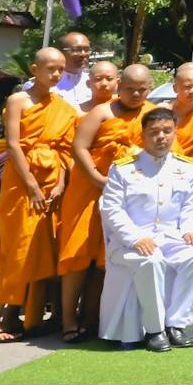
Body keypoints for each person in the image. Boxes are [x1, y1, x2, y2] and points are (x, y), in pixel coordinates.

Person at [0, 47, 79, 342]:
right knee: (18, 251)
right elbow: (12, 145)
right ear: (35, 70)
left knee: (39, 250)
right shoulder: (18, 100)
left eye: (60, 69)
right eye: (50, 68)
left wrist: (60, 183)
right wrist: (31, 184)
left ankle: (13, 316)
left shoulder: (63, 108)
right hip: (21, 183)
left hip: (51, 184)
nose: (56, 74)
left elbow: (64, 150)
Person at [97, 105, 193, 351]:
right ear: (143, 135)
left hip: (170, 237)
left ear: (175, 132)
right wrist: (135, 237)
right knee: (152, 260)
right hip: (129, 242)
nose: (161, 137)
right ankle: (155, 330)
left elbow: (190, 206)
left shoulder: (185, 167)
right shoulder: (123, 169)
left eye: (167, 131)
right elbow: (112, 209)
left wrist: (191, 230)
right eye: (154, 132)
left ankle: (176, 324)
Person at [57, 62, 150, 341]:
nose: (135, 94)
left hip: (128, 194)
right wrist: (98, 179)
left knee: (105, 258)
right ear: (120, 86)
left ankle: (92, 318)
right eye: (130, 89)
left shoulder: (153, 113)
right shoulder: (102, 112)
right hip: (89, 189)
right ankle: (67, 320)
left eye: (141, 89)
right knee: (77, 255)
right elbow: (79, 147)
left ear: (150, 89)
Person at [47, 30, 96, 108]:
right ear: (60, 52)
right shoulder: (46, 84)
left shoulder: (95, 82)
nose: (83, 54)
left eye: (86, 49)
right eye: (76, 50)